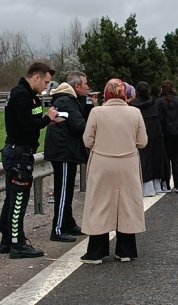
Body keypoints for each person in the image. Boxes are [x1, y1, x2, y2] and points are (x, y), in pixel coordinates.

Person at [80, 79, 148, 264]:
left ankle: (96, 252)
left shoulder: (97, 112)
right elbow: (142, 142)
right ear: (124, 93)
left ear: (106, 93)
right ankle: (126, 250)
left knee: (100, 204)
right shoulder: (135, 113)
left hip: (102, 163)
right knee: (127, 204)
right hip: (127, 164)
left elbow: (87, 140)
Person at [0, 62, 61, 259]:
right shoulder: (22, 95)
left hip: (18, 152)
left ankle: (7, 241)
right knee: (18, 201)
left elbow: (28, 120)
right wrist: (47, 119)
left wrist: (46, 119)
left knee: (11, 199)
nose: (47, 87)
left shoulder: (28, 96)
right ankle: (17, 244)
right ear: (36, 78)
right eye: (46, 82)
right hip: (19, 154)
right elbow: (27, 125)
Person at [44, 73, 89, 243]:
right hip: (63, 152)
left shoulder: (69, 101)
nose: (87, 87)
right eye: (85, 84)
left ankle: (68, 222)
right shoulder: (66, 102)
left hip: (66, 151)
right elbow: (78, 126)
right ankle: (58, 228)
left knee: (68, 189)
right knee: (63, 191)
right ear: (77, 86)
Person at [130, 81, 169, 196]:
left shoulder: (132, 105)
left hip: (140, 133)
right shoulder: (155, 103)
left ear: (137, 92)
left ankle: (146, 188)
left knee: (143, 158)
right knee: (156, 157)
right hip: (156, 132)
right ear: (149, 91)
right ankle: (158, 186)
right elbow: (162, 118)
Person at [157, 80, 178, 193]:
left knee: (165, 159)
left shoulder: (159, 102)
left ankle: (166, 184)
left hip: (165, 133)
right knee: (176, 159)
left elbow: (159, 120)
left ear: (162, 89)